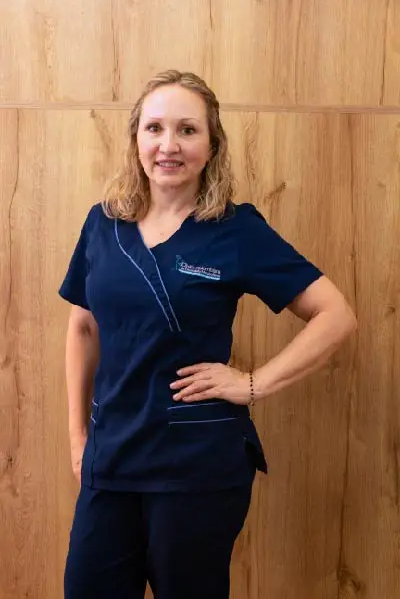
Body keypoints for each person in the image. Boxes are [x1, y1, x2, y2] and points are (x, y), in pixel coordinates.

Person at [59, 70, 357, 599]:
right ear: (136, 139)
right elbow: (83, 327)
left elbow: (336, 315)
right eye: (154, 128)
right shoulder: (103, 225)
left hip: (196, 464)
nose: (168, 145)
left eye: (187, 130)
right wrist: (78, 437)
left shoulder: (235, 230)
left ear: (212, 144)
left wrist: (252, 384)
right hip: (111, 458)